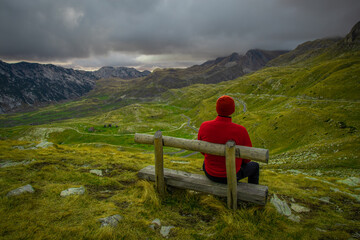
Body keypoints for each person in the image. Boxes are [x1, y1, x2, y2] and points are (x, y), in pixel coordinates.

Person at [197, 95, 259, 184]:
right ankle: (252, 193)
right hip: (232, 175)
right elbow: (247, 159)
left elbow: (202, 150)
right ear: (233, 110)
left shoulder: (204, 126)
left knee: (206, 161)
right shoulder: (241, 130)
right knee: (255, 166)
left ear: (217, 109)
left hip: (210, 172)